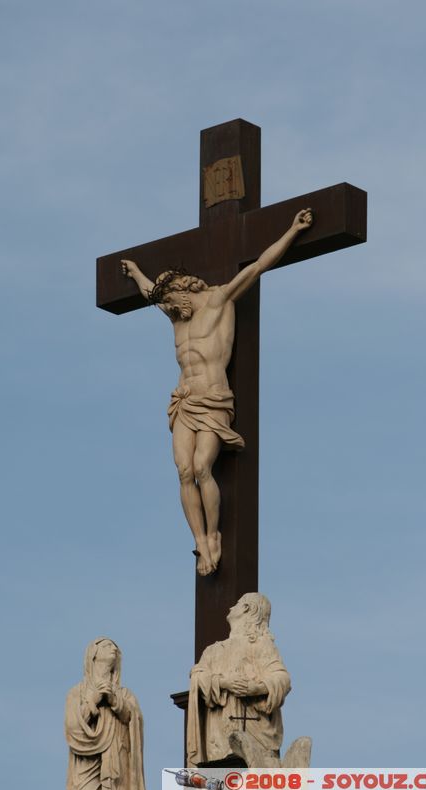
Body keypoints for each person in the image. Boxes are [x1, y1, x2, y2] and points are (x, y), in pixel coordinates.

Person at [121, 209, 313, 576]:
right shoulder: (178, 313)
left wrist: (293, 230)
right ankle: (199, 540)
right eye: (167, 305)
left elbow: (258, 266)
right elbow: (150, 294)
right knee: (182, 471)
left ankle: (214, 535)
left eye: (172, 301)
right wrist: (135, 273)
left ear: (185, 288)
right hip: (184, 400)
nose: (169, 310)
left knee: (201, 467)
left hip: (213, 399)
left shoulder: (220, 300)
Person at [186, 592, 291, 766]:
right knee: (221, 785)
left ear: (246, 608)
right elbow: (197, 675)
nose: (230, 607)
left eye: (237, 604)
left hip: (256, 731)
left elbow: (282, 678)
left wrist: (256, 688)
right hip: (219, 733)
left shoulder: (261, 645)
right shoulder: (213, 651)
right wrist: (224, 683)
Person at [65, 638, 147, 790]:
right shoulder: (77, 693)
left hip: (118, 759)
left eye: (115, 647)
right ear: (94, 654)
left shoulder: (124, 694)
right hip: (87, 765)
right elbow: (72, 728)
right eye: (107, 645)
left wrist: (113, 700)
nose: (114, 648)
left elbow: (134, 719)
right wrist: (93, 701)